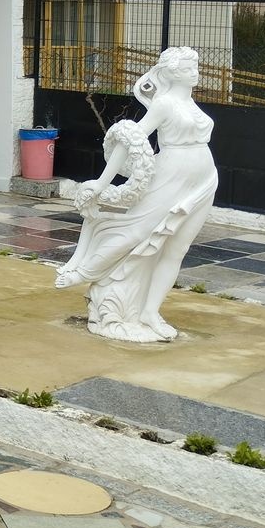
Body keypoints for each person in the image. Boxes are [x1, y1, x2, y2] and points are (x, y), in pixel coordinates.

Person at [55, 47, 218, 342]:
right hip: (172, 176)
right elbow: (129, 139)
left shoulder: (191, 103)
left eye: (195, 67)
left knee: (177, 249)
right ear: (172, 73)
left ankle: (150, 312)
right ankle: (87, 271)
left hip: (204, 180)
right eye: (187, 68)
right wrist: (102, 183)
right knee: (139, 231)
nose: (194, 72)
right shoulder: (164, 103)